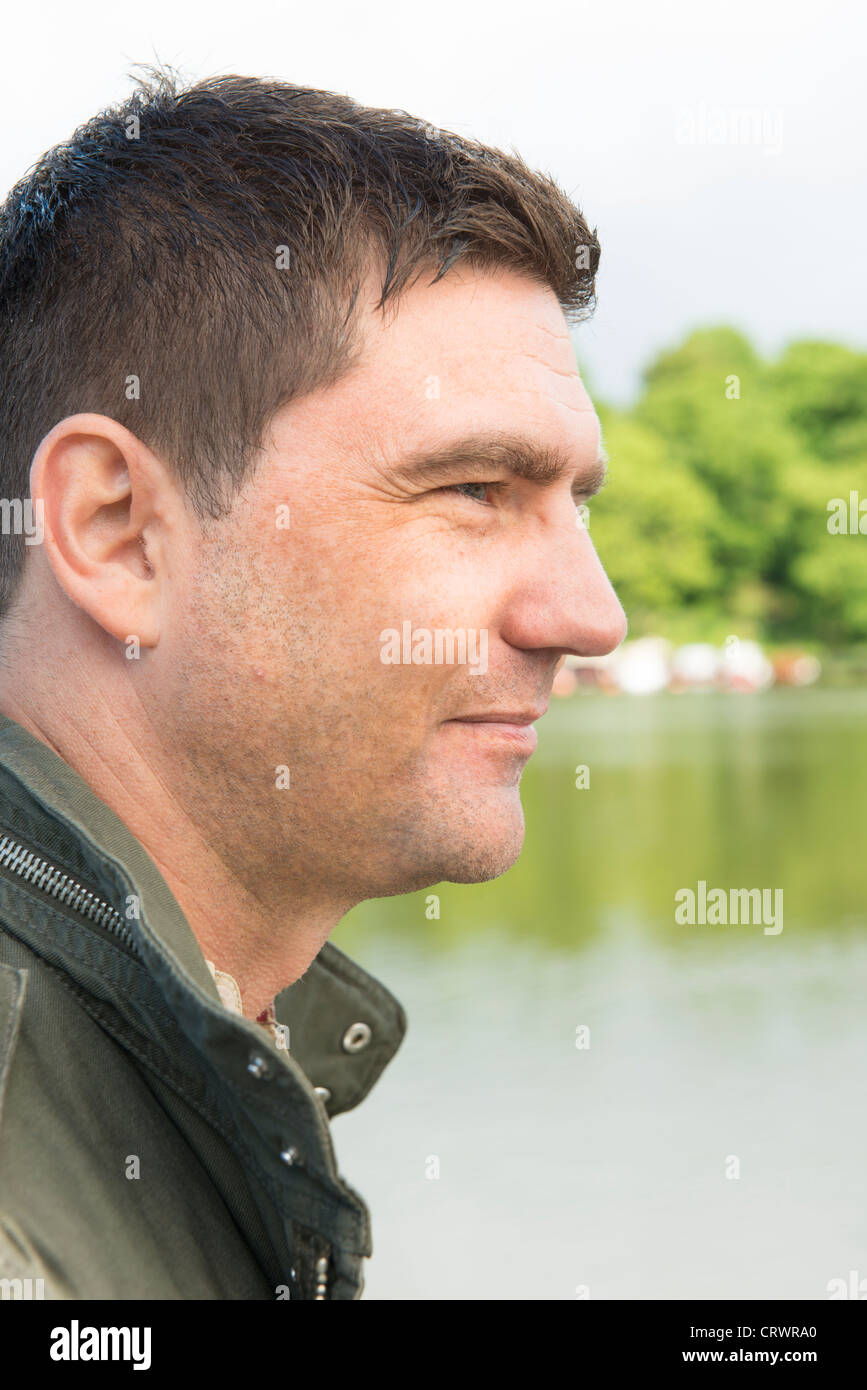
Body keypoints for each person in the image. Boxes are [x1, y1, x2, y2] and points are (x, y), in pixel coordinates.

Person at [0, 69, 626, 1299]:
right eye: (473, 490)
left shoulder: (181, 1041)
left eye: (577, 504)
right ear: (119, 531)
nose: (590, 616)